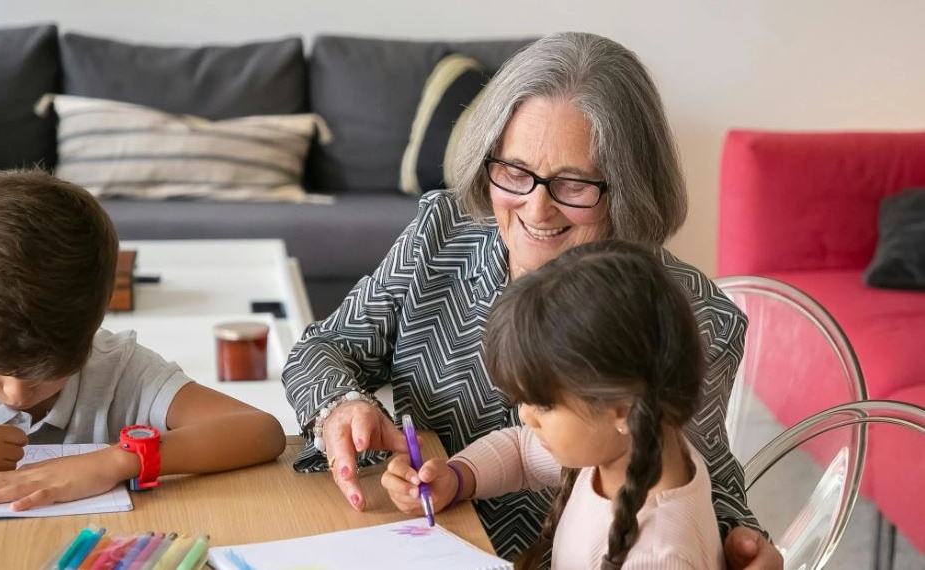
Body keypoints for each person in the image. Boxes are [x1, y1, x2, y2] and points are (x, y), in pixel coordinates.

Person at [283, 32, 781, 568]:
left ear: (629, 186)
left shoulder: (689, 316)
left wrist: (741, 542)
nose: (536, 209)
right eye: (516, 173)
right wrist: (342, 405)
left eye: (572, 184)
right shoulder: (443, 232)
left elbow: (704, 480)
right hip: (411, 540)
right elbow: (324, 347)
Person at [0, 169, 286, 510]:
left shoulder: (119, 370)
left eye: (44, 374)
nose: (16, 394)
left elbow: (259, 430)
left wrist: (116, 460)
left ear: (97, 318)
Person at [383, 240, 724, 569]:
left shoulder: (659, 556)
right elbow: (519, 451)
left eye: (542, 406)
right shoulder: (629, 445)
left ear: (620, 408)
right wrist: (457, 478)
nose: (524, 416)